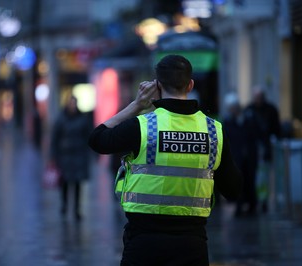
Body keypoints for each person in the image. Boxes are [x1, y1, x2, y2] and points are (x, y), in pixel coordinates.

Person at [88, 54, 243, 265]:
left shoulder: (143, 127)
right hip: (192, 245)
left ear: (158, 86)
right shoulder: (213, 131)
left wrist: (136, 105)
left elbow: (97, 139)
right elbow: (233, 190)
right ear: (190, 85)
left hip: (144, 244)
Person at [50, 95, 92, 221]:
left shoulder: (82, 119)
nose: (72, 106)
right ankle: (64, 206)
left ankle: (77, 210)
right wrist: (53, 156)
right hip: (65, 157)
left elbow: (88, 137)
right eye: (71, 103)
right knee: (65, 183)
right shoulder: (61, 119)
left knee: (78, 184)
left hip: (79, 156)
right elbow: (55, 139)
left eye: (74, 103)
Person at [244, 86, 281, 212]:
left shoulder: (270, 110)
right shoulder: (249, 110)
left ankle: (263, 200)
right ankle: (254, 200)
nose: (258, 100)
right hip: (253, 150)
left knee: (264, 177)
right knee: (254, 177)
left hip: (266, 150)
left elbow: (276, 128)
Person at [222, 93, 260, 216]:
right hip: (237, 157)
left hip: (249, 155)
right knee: (239, 180)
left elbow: (255, 134)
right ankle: (239, 205)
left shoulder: (249, 118)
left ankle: (252, 204)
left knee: (250, 179)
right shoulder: (228, 122)